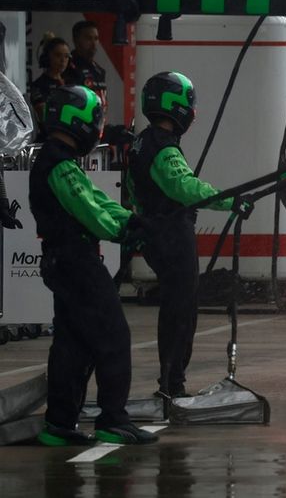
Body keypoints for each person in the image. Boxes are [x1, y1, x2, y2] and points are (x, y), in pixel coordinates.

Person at [30, 86, 157, 446]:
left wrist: (131, 219)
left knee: (74, 343)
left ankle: (60, 424)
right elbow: (88, 210)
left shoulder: (60, 160)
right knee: (113, 335)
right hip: (75, 261)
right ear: (80, 120)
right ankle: (113, 419)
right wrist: (124, 230)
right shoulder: (58, 164)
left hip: (65, 261)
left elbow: (97, 199)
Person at [125, 72, 236, 400]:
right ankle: (173, 383)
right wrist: (229, 200)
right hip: (171, 234)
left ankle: (171, 380)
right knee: (182, 310)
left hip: (155, 232)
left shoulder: (143, 140)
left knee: (177, 306)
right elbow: (185, 187)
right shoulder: (163, 146)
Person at [29, 35, 71, 140]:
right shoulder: (38, 85)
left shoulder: (71, 83)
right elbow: (44, 115)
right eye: (58, 55)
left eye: (66, 56)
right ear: (47, 57)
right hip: (49, 140)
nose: (63, 60)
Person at [64, 20, 108, 107]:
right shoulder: (66, 66)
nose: (93, 43)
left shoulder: (99, 70)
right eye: (88, 38)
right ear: (76, 40)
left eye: (96, 38)